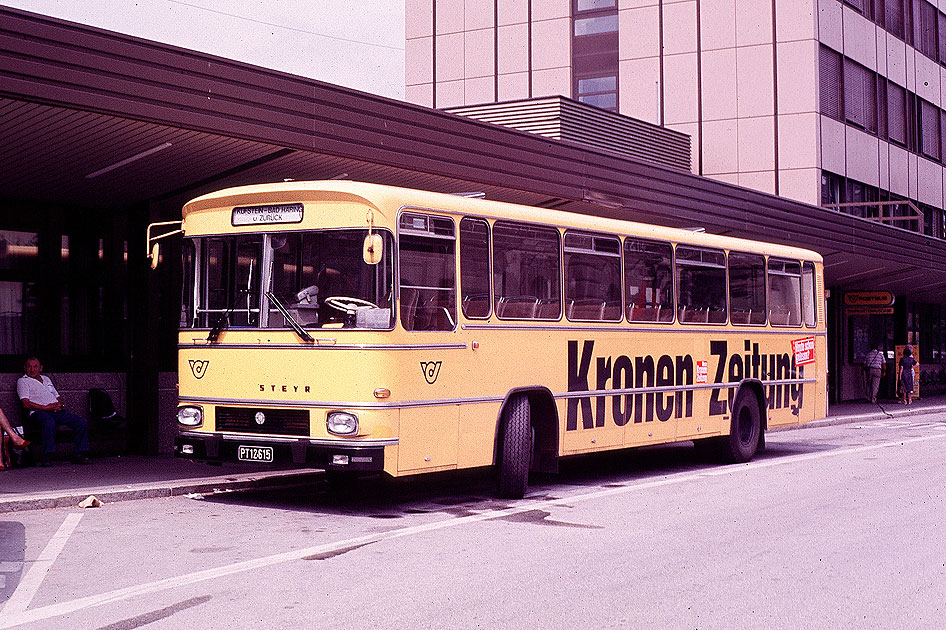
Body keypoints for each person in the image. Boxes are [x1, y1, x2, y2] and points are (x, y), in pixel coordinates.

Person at [16, 356, 91, 466]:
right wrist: (47, 408)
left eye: (35, 367)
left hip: (56, 411)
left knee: (81, 422)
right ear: (25, 368)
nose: (32, 369)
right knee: (49, 422)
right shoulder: (23, 381)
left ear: (41, 368)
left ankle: (79, 454)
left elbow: (57, 396)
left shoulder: (46, 379)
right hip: (37, 412)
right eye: (29, 367)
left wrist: (60, 405)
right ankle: (47, 456)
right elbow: (26, 404)